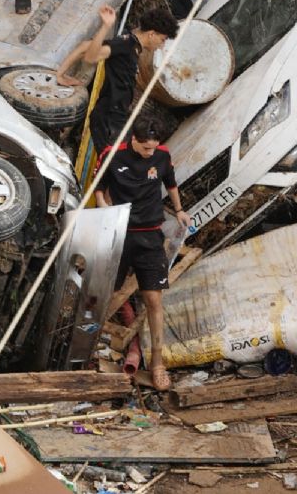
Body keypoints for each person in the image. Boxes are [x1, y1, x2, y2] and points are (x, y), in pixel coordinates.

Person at [93, 116, 191, 390]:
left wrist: (180, 210)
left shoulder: (161, 155)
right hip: (120, 235)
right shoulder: (112, 155)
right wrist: (103, 207)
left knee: (153, 300)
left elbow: (170, 183)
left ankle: (158, 363)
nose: (150, 153)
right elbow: (99, 188)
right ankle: (87, 352)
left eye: (153, 148)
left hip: (150, 237)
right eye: (145, 148)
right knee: (102, 294)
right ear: (133, 140)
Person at [56, 6, 179, 152]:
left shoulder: (130, 43)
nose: (161, 45)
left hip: (116, 119)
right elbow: (90, 57)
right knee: (113, 166)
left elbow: (85, 46)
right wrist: (106, 26)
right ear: (152, 34)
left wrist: (60, 73)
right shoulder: (126, 45)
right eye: (162, 39)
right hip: (108, 120)